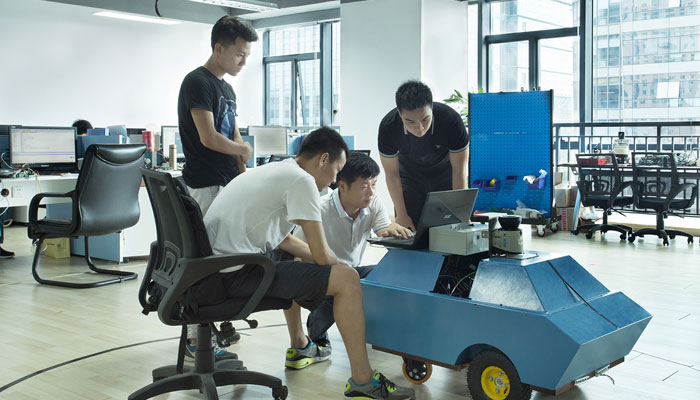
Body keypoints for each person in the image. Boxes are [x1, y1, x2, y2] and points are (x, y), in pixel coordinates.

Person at [203, 127, 414, 399]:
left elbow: (284, 240)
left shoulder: (277, 171)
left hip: (215, 271)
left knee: (338, 272)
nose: (334, 181)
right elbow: (322, 256)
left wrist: (337, 263)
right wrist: (342, 268)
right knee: (348, 280)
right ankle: (363, 381)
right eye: (337, 171)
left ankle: (302, 344)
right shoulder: (301, 181)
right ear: (323, 159)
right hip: (236, 273)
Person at [177, 15, 256, 361]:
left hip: (226, 183)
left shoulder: (227, 89)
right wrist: (241, 149)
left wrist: (244, 170)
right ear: (218, 48)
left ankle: (216, 324)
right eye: (239, 54)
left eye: (247, 56)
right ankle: (197, 341)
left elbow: (233, 133)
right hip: (205, 184)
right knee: (205, 262)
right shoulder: (198, 82)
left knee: (225, 257)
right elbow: (209, 137)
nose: (243, 62)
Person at [294, 151, 412, 352]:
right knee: (343, 283)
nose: (371, 192)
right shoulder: (319, 210)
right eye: (364, 187)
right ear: (342, 186)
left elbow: (382, 229)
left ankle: (379, 331)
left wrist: (392, 230)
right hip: (319, 275)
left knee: (386, 274)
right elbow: (297, 253)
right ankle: (317, 332)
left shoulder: (374, 203)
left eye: (374, 184)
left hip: (351, 271)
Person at [378, 80, 469, 231]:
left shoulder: (450, 120)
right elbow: (392, 173)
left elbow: (459, 169)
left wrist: (460, 211)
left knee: (450, 231)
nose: (419, 128)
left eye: (425, 119)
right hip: (409, 177)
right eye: (410, 122)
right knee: (410, 232)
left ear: (432, 108)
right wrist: (401, 215)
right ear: (400, 114)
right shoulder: (389, 127)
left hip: (445, 176)